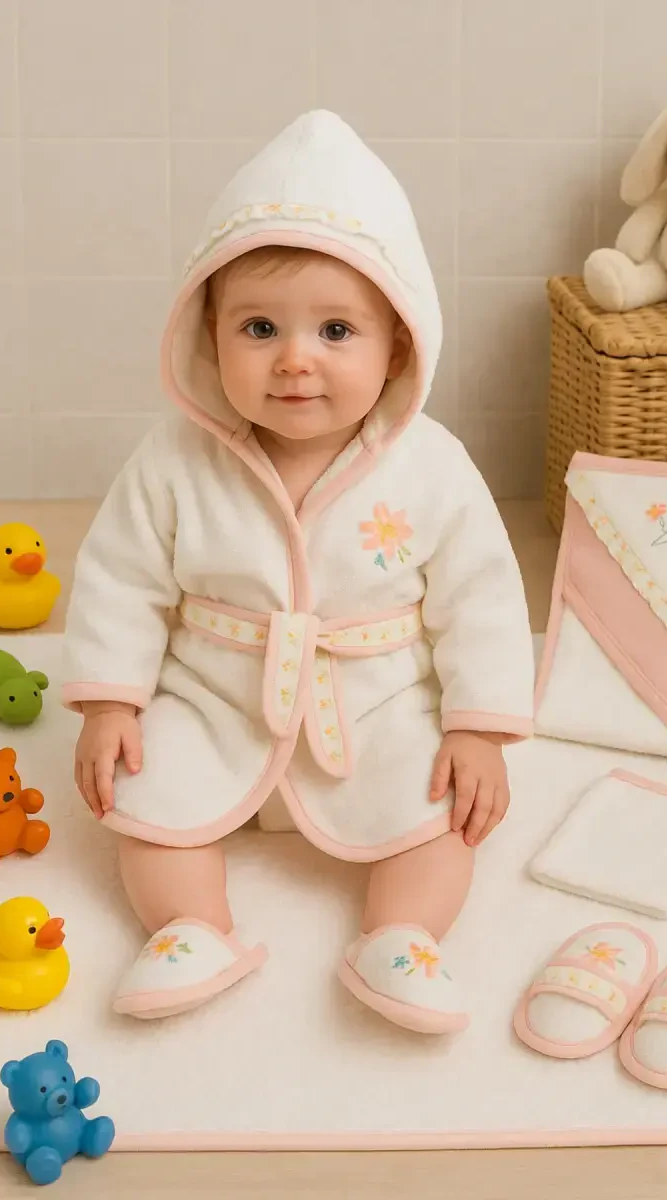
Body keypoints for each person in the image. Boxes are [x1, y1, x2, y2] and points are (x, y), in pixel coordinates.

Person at [64, 110, 534, 1033]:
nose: (294, 360)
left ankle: (403, 936)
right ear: (210, 337)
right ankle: (190, 927)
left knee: (444, 811)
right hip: (214, 694)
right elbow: (121, 577)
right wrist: (112, 702)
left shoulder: (431, 465)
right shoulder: (175, 459)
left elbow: (480, 595)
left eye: (336, 330)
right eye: (260, 327)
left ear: (398, 345)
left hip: (377, 700)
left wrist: (477, 728)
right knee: (144, 796)